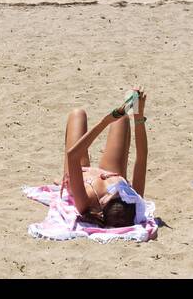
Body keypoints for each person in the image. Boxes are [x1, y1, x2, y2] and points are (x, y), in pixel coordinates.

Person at [62, 89, 149, 228]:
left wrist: (106, 121)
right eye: (120, 193)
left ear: (102, 205)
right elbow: (142, 156)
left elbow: (73, 156)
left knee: (77, 114)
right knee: (123, 118)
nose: (118, 191)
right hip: (109, 171)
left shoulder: (84, 203)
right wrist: (139, 115)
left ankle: (114, 117)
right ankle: (130, 108)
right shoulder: (133, 197)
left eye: (115, 194)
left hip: (79, 171)